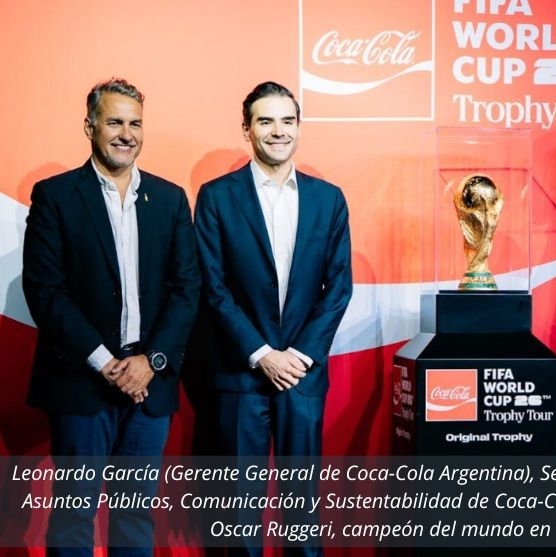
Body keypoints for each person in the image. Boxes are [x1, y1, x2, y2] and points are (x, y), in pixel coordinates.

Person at [22, 78, 200, 557]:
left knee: (135, 511)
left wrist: (151, 361)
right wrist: (106, 363)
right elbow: (46, 291)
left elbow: (187, 290)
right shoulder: (55, 196)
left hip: (150, 382)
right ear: (90, 126)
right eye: (115, 122)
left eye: (136, 123)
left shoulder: (169, 199)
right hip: (83, 380)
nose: (127, 133)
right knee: (76, 513)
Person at [194, 81, 353, 557]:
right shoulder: (217, 196)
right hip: (239, 375)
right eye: (265, 121)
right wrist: (262, 354)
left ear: (299, 127)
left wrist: (297, 357)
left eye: (287, 121)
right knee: (239, 516)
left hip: (301, 377)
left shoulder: (329, 199)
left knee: (303, 513)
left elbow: (338, 287)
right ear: (247, 129)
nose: (277, 131)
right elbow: (212, 287)